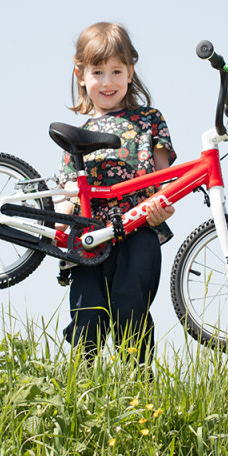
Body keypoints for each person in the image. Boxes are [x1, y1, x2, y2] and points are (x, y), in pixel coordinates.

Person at [55, 22, 176, 367]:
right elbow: (66, 189)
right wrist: (60, 232)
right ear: (80, 74)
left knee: (131, 310)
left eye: (116, 71)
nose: (107, 82)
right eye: (97, 72)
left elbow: (165, 176)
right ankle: (81, 392)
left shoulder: (149, 120)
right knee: (86, 317)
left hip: (138, 231)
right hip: (90, 238)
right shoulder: (78, 133)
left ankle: (138, 393)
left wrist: (164, 206)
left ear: (130, 71)